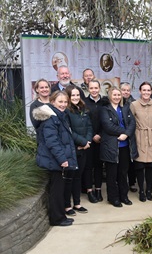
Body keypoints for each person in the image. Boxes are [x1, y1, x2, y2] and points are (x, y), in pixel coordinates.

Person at [33, 91, 78, 226]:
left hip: (57, 160)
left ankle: (60, 216)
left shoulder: (59, 116)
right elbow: (52, 141)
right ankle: (57, 219)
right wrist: (62, 159)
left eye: (65, 102)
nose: (63, 104)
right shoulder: (50, 118)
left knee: (59, 190)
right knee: (56, 191)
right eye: (60, 102)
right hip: (55, 161)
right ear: (53, 102)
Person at [100, 87, 138, 207]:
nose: (117, 97)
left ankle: (124, 196)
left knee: (123, 173)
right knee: (112, 174)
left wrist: (126, 134)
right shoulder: (104, 109)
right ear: (110, 95)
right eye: (114, 95)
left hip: (125, 146)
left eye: (118, 95)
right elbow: (108, 126)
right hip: (111, 147)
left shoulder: (125, 108)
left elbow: (133, 123)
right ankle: (113, 198)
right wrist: (124, 132)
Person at [130, 82, 152, 202]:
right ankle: (141, 191)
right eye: (144, 90)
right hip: (139, 136)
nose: (146, 93)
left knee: (151, 166)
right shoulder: (134, 105)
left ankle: (149, 190)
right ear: (139, 91)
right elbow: (131, 123)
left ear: (151, 92)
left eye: (148, 90)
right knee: (139, 166)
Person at [64, 86, 92, 216]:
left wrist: (87, 142)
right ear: (68, 97)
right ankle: (67, 206)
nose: (75, 98)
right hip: (73, 148)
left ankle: (77, 203)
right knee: (70, 178)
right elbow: (69, 131)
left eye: (77, 95)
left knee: (78, 177)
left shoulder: (83, 109)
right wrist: (82, 142)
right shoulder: (66, 111)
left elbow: (89, 126)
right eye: (72, 95)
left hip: (84, 148)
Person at [84, 80, 107, 203]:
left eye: (96, 88)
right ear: (88, 89)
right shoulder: (85, 103)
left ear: (99, 88)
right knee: (88, 166)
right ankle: (89, 191)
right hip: (89, 140)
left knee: (99, 166)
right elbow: (84, 123)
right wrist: (92, 135)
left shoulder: (105, 102)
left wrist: (100, 135)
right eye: (91, 88)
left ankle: (98, 189)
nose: (94, 90)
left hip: (102, 140)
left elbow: (108, 122)